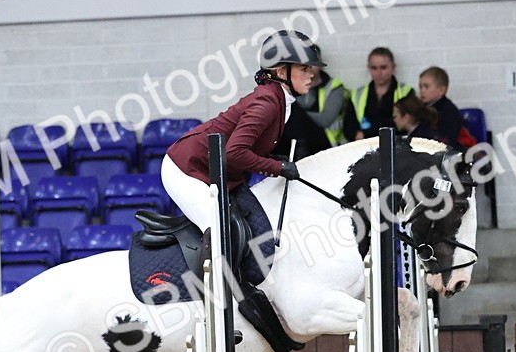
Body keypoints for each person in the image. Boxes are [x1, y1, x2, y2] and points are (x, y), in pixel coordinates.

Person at [163, 30, 321, 231]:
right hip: (187, 169)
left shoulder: (281, 100)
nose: (311, 74)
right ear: (281, 73)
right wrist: (278, 168)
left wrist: (273, 158)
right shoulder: (267, 104)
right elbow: (234, 153)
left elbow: (250, 146)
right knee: (218, 230)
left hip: (216, 172)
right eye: (305, 69)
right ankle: (207, 264)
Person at [280, 46, 347, 160]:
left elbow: (325, 120)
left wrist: (299, 112)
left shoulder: (333, 87)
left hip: (327, 143)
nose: (310, 67)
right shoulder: (294, 87)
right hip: (295, 142)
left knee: (293, 110)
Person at [342, 47, 412, 141]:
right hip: (364, 148)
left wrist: (366, 134)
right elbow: (348, 127)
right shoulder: (357, 94)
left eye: (383, 67)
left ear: (393, 67)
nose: (379, 73)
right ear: (368, 68)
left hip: (397, 147)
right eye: (374, 68)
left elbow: (405, 125)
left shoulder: (406, 92)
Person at [418, 66, 476, 150]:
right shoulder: (422, 109)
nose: (422, 91)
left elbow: (447, 143)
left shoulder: (449, 112)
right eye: (420, 87)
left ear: (441, 90)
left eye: (426, 87)